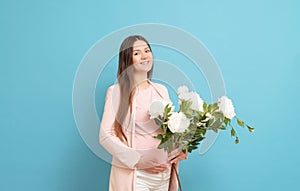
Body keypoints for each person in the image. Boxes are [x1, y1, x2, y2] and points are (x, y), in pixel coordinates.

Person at [99, 35, 187, 191]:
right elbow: (106, 136)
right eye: (137, 53)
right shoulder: (117, 92)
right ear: (127, 60)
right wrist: (138, 160)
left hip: (164, 174)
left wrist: (181, 148)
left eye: (147, 50)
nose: (145, 56)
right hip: (137, 175)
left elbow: (168, 131)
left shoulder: (161, 90)